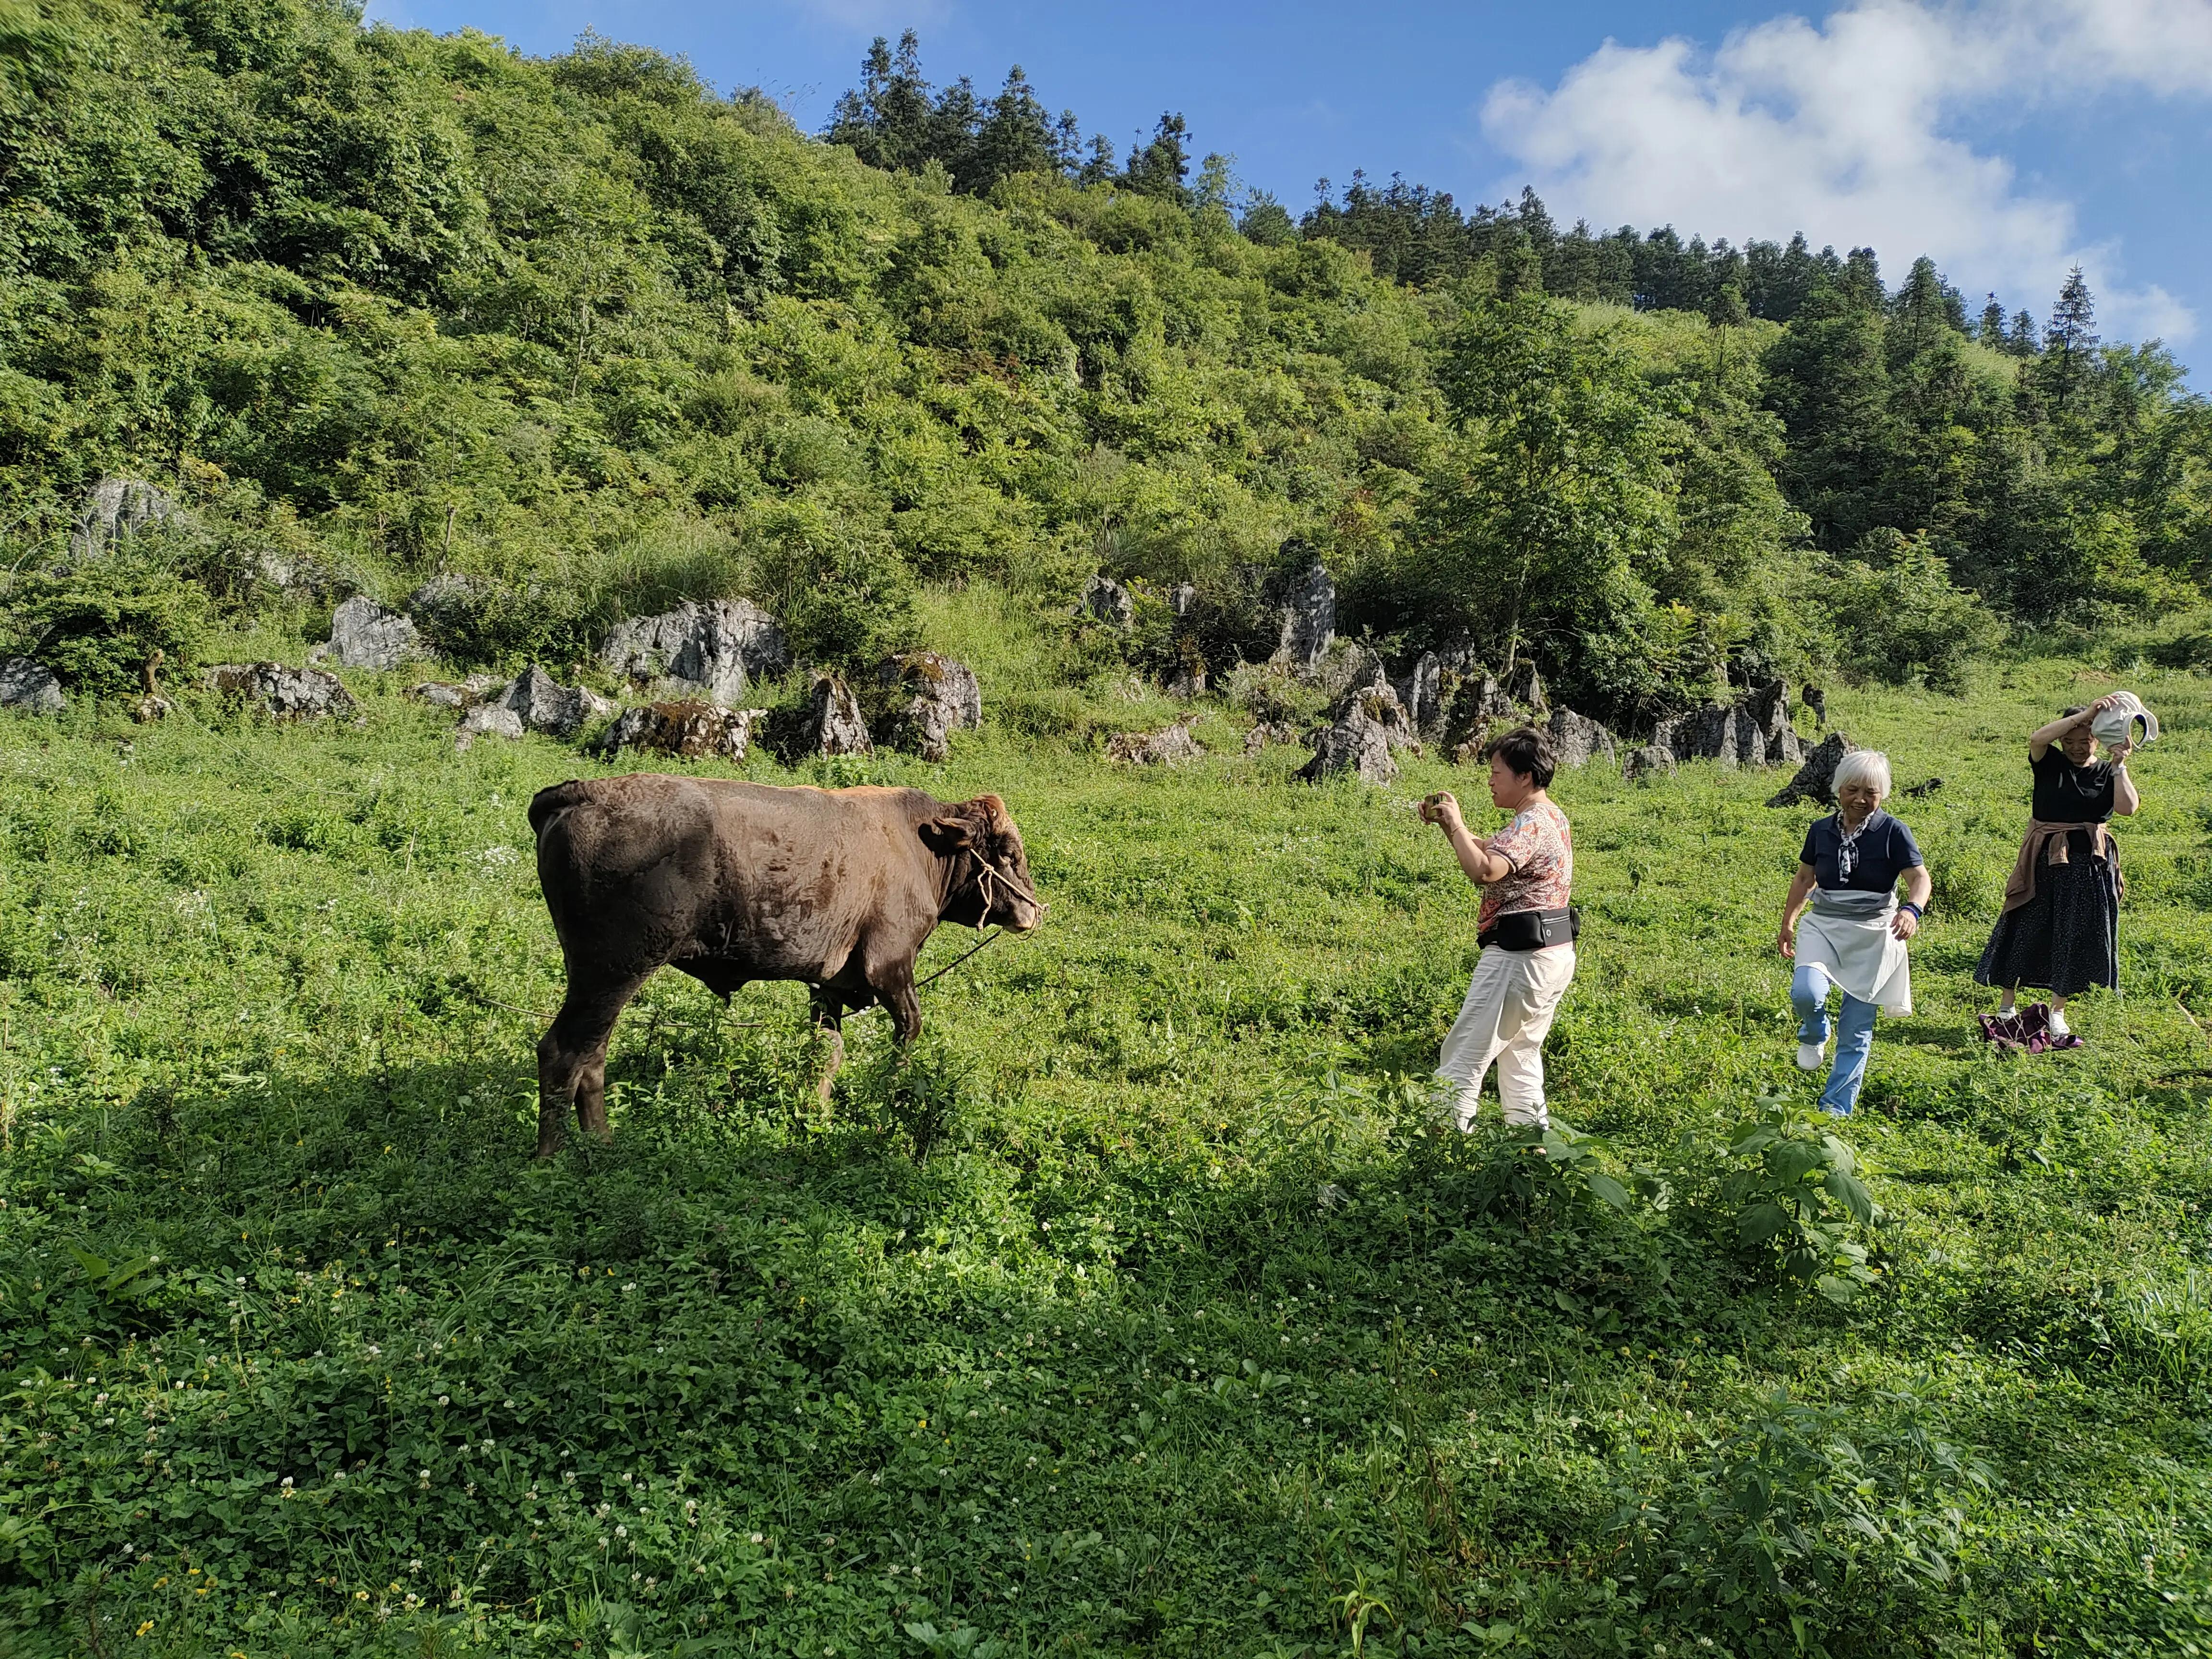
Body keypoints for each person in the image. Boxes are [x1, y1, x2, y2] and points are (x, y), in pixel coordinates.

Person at [1420, 726, 1576, 1131]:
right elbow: (1491, 850)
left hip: (1518, 957)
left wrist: (1457, 826)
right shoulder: (1550, 816)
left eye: (1496, 772)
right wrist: (1450, 825)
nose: (1490, 781)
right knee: (1520, 1055)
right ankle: (1529, 1146)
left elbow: (1486, 869)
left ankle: (1443, 1149)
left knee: (1465, 1053)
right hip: (1553, 952)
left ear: (1524, 776)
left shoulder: (1532, 823)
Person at [1974, 694, 2140, 1041]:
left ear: (2097, 740)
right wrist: (2089, 713)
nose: (2078, 748)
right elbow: (2037, 739)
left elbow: (2128, 809)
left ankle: (2058, 1012)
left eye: (2086, 741)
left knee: (2071, 933)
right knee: (2024, 925)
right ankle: (2007, 1007)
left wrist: (2120, 764)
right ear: (2062, 741)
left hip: (2089, 865)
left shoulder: (2106, 770)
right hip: (2046, 860)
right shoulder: (2049, 762)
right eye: (2070, 741)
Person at [1776, 750, 1930, 1116]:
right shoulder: (1820, 830)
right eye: (1853, 790)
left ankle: (1835, 1107)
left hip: (1875, 932)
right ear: (1839, 789)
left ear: (1883, 795)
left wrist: (1911, 910)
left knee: (1856, 1029)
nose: (1860, 799)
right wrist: (1788, 922)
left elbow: (1919, 879)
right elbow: (1805, 878)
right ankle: (1815, 1031)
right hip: (1824, 924)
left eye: (1871, 793)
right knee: (1806, 992)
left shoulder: (1894, 832)